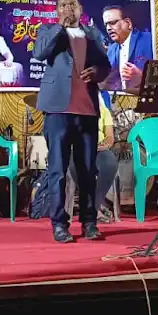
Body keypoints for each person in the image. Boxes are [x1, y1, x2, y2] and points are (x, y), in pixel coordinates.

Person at [33, 0, 111, 243]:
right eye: (63, 5)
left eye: (73, 5)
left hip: (87, 110)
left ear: (80, 9)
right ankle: (59, 224)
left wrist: (97, 72)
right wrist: (60, 28)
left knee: (88, 170)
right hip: (58, 111)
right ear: (57, 10)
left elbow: (106, 66)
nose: (68, 9)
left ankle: (89, 222)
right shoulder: (48, 31)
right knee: (57, 170)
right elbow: (39, 53)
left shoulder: (92, 33)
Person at [69, 93, 118, 223]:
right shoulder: (75, 111)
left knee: (110, 163)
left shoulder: (104, 111)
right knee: (75, 165)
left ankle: (93, 207)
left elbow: (110, 137)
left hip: (99, 149)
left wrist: (104, 145)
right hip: (80, 148)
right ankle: (94, 208)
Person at [102, 5, 153, 91]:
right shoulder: (111, 49)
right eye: (106, 24)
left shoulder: (149, 39)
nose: (108, 28)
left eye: (113, 23)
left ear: (128, 23)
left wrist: (142, 76)